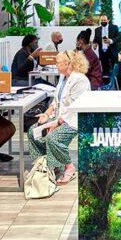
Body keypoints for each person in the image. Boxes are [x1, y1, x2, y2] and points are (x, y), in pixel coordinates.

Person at [27, 50, 90, 185]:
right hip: (59, 117)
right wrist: (46, 114)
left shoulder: (80, 80)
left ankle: (69, 167)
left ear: (67, 63)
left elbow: (74, 108)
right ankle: (49, 164)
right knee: (33, 132)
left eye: (57, 62)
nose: (55, 65)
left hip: (73, 120)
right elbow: (55, 102)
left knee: (53, 137)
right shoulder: (63, 78)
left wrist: (56, 123)